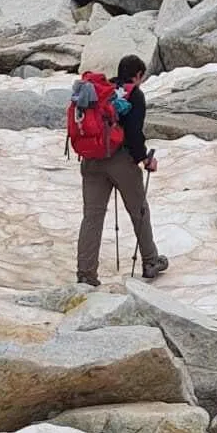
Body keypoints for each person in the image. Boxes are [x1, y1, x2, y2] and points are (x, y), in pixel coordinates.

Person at [70, 53, 168, 288]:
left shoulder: (102, 91)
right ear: (138, 75)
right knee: (138, 210)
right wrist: (144, 159)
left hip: (91, 160)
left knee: (92, 217)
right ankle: (150, 261)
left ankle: (86, 274)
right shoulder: (135, 94)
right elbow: (134, 134)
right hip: (120, 160)